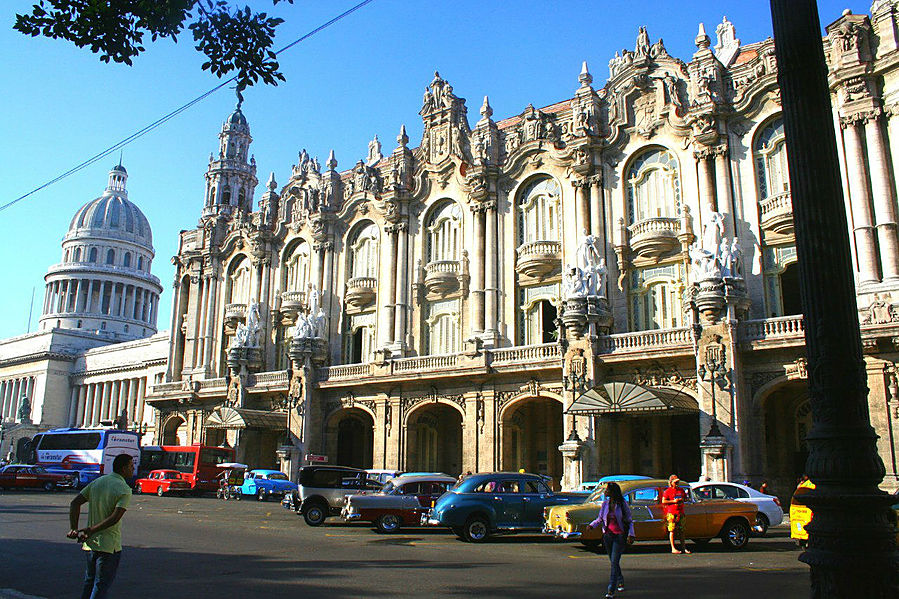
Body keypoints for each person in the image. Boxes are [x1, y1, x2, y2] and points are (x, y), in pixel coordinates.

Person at [68, 453, 134, 599]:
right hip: (109, 545)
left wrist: (74, 527)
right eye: (131, 466)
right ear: (123, 469)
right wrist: (92, 530)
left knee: (89, 582)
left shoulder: (98, 482)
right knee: (100, 585)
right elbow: (114, 518)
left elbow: (75, 503)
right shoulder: (124, 489)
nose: (133, 469)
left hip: (90, 544)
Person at [587, 482, 635, 598]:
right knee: (613, 561)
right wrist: (592, 525)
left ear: (612, 492)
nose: (605, 492)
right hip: (608, 535)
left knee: (614, 561)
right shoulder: (605, 504)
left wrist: (631, 534)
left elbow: (629, 520)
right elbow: (600, 518)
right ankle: (620, 579)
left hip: (619, 535)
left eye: (607, 490)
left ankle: (611, 590)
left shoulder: (622, 504)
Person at [661, 474, 690, 554]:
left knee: (682, 530)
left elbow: (685, 498)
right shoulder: (668, 491)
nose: (677, 484)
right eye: (675, 482)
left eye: (678, 482)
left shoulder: (681, 490)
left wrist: (683, 499)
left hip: (680, 512)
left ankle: (683, 548)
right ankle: (673, 548)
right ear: (671, 483)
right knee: (672, 530)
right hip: (671, 512)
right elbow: (663, 501)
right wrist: (673, 501)